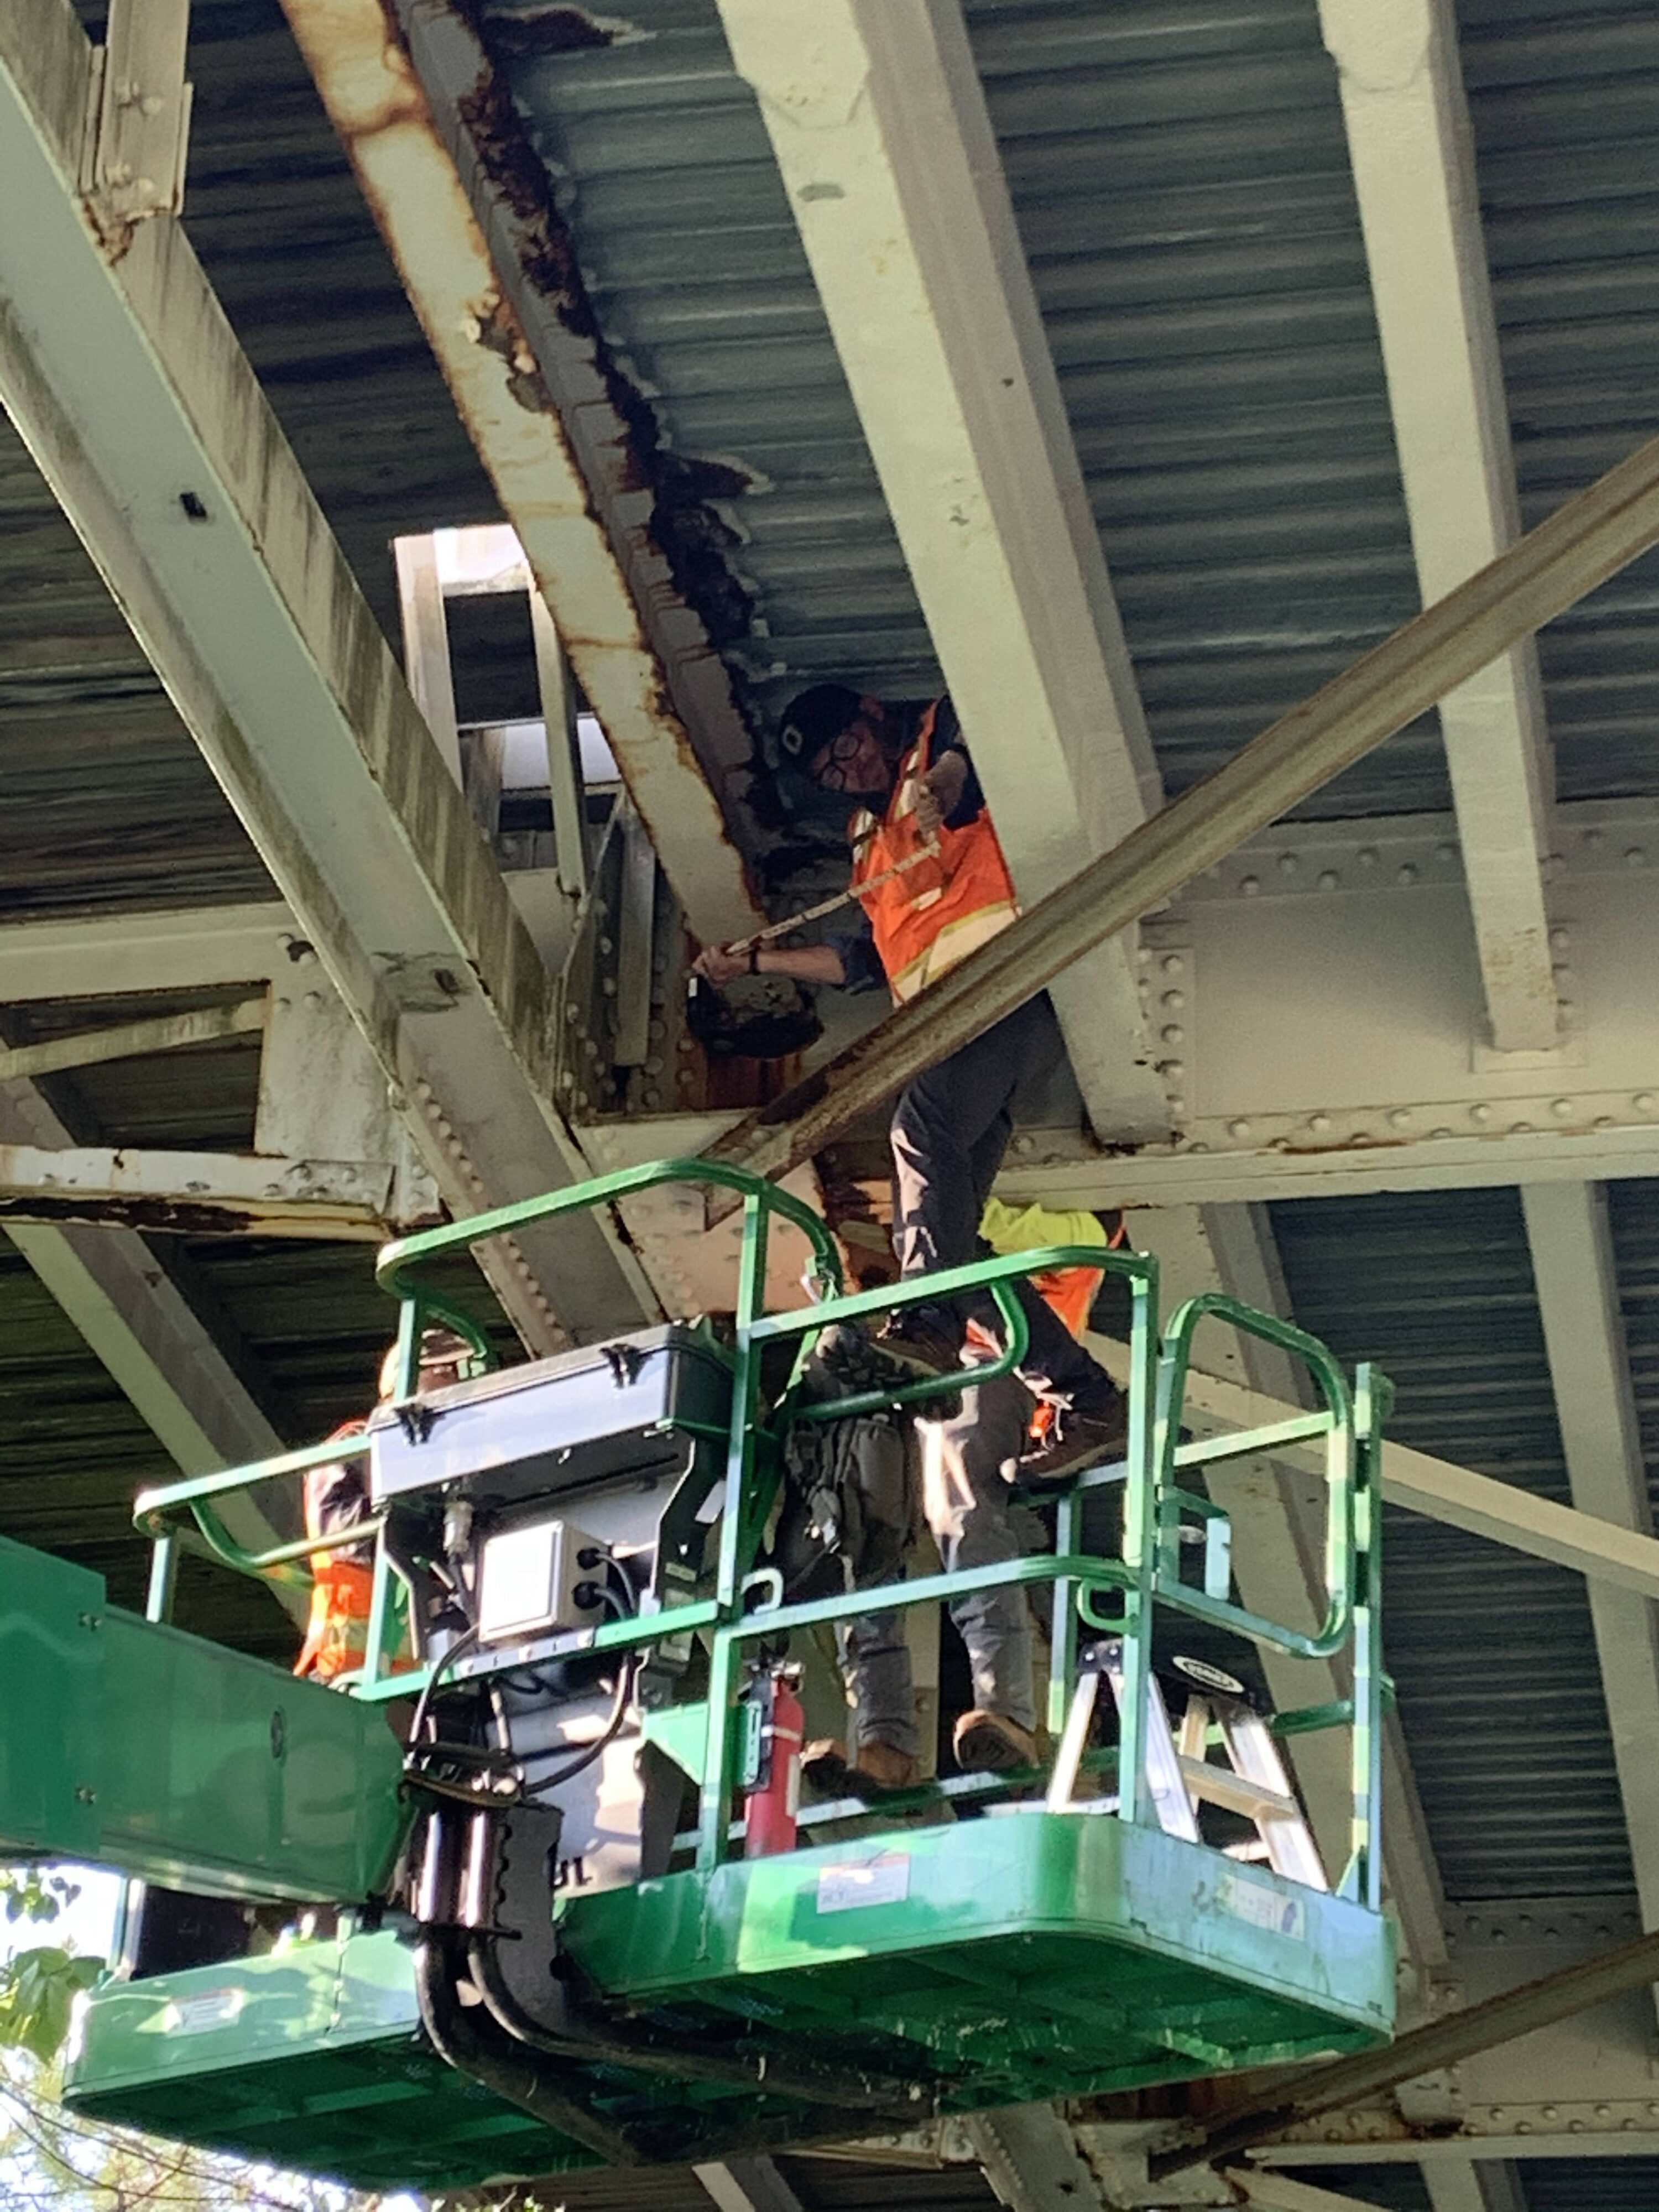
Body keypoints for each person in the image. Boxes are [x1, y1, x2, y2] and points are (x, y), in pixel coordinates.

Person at [693, 683, 1126, 1483]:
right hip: (953, 1023)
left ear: (871, 717)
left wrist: (946, 784)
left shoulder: (934, 745)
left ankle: (926, 1320)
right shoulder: (870, 841)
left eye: (847, 747)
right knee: (947, 1234)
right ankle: (1083, 1395)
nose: (845, 769)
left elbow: (984, 743)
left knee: (915, 1137)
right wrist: (754, 963)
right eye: (829, 770)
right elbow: (861, 961)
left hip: (1002, 982)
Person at [791, 1198, 1119, 1791]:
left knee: (961, 1511)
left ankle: (1007, 1712)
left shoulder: (1088, 1226)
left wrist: (908, 1200)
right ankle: (883, 1742)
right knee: (863, 1527)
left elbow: (963, 1224)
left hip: (996, 1366)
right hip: (915, 1360)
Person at [293, 1326, 475, 1683]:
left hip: (414, 1675)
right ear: (401, 1383)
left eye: (453, 1373)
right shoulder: (355, 1446)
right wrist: (423, 1512)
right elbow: (345, 1534)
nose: (448, 1381)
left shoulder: (441, 1463)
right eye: (438, 1371)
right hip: (344, 1667)